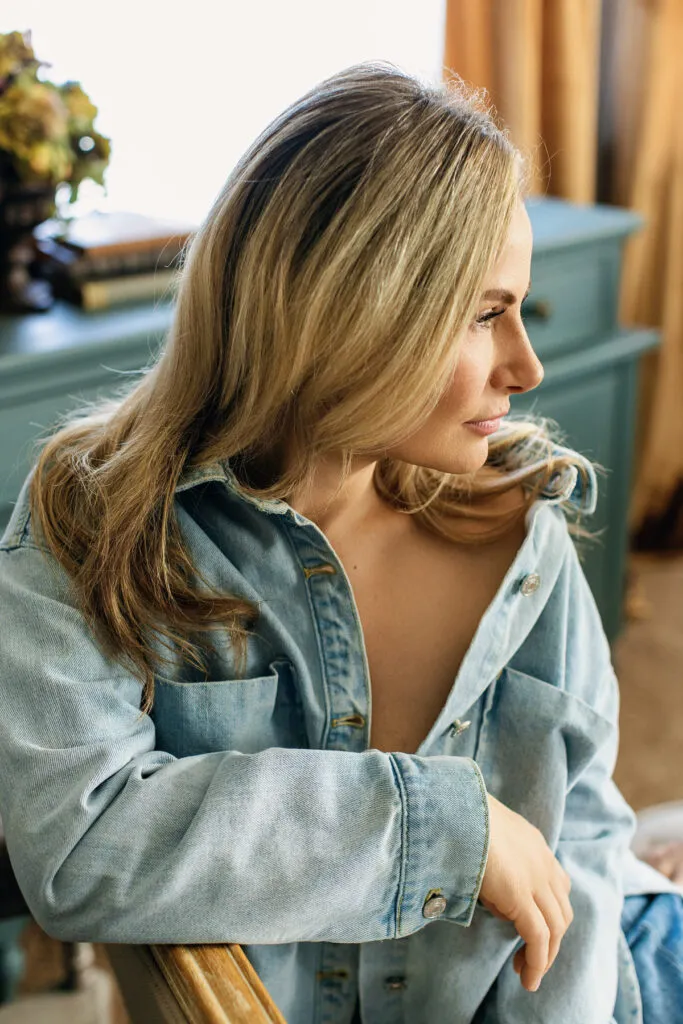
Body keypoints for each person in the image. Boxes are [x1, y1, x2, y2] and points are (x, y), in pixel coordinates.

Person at [0, 61, 680, 1024]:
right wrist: (446, 829)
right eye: (485, 313)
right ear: (348, 308)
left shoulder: (522, 522)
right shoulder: (92, 520)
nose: (525, 366)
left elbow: (580, 847)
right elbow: (78, 852)